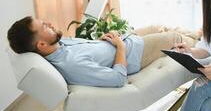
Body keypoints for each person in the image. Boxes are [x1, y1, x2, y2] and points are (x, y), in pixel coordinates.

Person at [7, 16, 200, 87]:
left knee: (157, 26)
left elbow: (91, 53)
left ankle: (196, 33)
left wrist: (102, 41)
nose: (49, 23)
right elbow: (117, 79)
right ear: (41, 45)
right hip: (134, 53)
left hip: (123, 41)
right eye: (44, 26)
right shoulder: (71, 65)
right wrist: (121, 47)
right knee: (173, 38)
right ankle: (199, 39)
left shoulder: (61, 45)